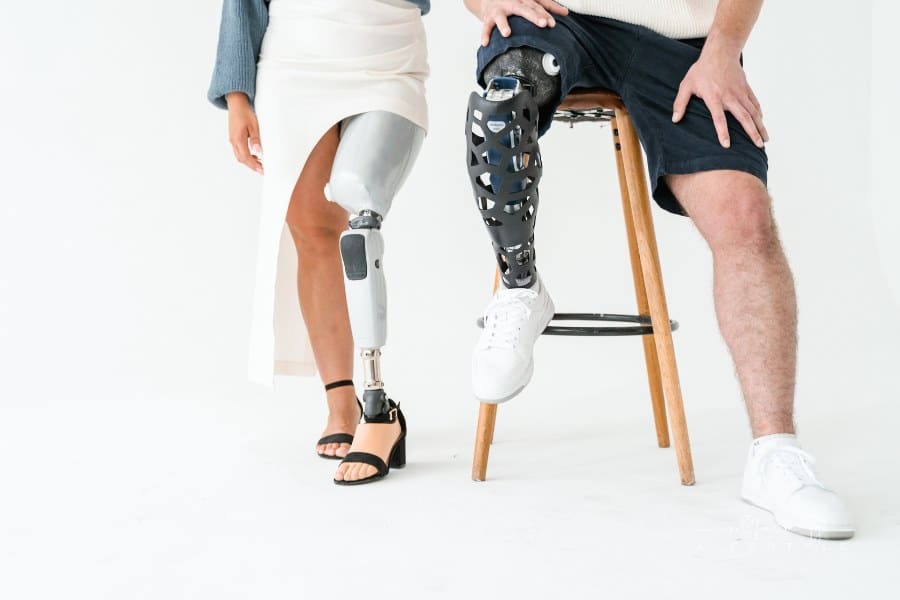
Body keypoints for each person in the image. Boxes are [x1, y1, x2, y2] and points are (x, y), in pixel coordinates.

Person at [463, 0, 854, 538]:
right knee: (502, 99)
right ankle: (520, 285)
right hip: (561, 22)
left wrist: (724, 51)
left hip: (687, 45)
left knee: (746, 219)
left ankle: (775, 454)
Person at [208, 0, 431, 485]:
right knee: (312, 231)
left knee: (363, 212)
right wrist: (237, 94)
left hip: (384, 43)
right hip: (294, 56)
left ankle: (379, 413)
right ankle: (346, 403)